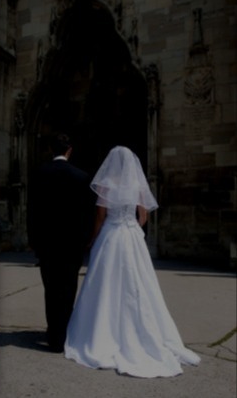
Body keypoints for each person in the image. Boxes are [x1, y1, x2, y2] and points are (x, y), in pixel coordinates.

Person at [64, 146, 201, 377]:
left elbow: (100, 217)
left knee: (105, 283)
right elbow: (144, 216)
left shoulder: (108, 184)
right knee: (139, 283)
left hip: (110, 234)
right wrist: (133, 229)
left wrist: (93, 239)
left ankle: (100, 331)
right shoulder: (137, 186)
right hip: (130, 236)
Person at [27, 134, 94, 352]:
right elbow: (86, 215)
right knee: (68, 289)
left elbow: (32, 212)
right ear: (69, 150)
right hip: (72, 245)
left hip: (46, 245)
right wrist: (85, 241)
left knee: (51, 290)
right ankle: (63, 335)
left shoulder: (39, 174)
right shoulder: (81, 177)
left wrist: (33, 241)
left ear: (50, 149)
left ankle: (53, 335)